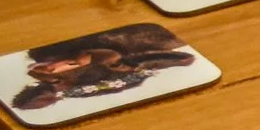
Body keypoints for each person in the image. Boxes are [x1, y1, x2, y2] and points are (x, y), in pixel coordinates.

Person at [11, 24, 198, 110]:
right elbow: (122, 76)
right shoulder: (75, 89)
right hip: (137, 48)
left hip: (117, 39)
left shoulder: (41, 67)